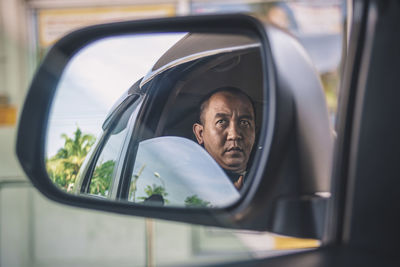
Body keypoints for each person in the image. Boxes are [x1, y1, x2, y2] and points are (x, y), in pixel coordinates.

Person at [193, 87, 256, 190]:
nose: (234, 135)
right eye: (221, 122)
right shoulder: (187, 184)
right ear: (200, 133)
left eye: (244, 122)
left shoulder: (271, 179)